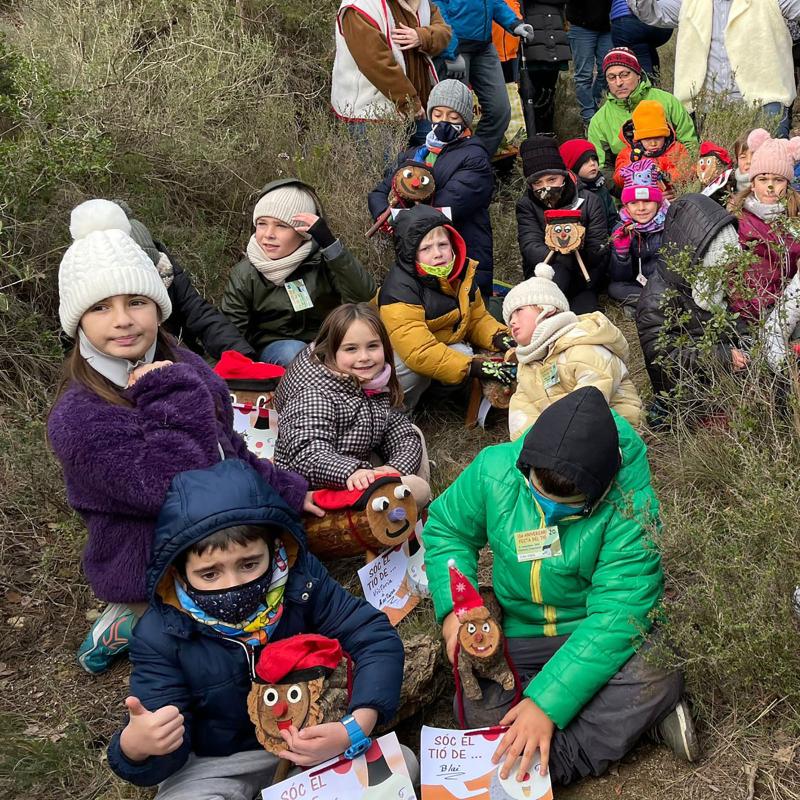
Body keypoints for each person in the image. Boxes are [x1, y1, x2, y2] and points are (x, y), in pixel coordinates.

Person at [47, 200, 313, 675]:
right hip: (147, 557)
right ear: (78, 322)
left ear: (158, 304)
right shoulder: (78, 416)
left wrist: (289, 491)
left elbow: (226, 449)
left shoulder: (183, 362)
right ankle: (125, 620)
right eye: (101, 308)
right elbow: (172, 487)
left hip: (213, 532)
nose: (123, 320)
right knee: (216, 649)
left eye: (137, 302)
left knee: (291, 583)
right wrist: (165, 390)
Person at [423, 387, 694, 787]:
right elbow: (447, 530)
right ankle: (625, 726)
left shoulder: (631, 507)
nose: (549, 509)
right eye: (538, 491)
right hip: (516, 633)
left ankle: (534, 767)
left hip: (588, 630)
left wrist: (546, 705)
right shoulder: (494, 470)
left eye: (568, 504)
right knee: (474, 702)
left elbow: (618, 615)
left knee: (660, 668)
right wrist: (456, 610)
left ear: (601, 489)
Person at [106, 457, 409, 796]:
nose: (233, 583)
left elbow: (375, 638)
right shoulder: (161, 632)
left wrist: (354, 728)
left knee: (402, 766)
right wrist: (136, 748)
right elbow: (165, 742)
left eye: (249, 564)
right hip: (216, 761)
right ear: (178, 572)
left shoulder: (301, 583)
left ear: (275, 546)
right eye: (210, 574)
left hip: (313, 737)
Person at [273, 303, 431, 505]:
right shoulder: (314, 394)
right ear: (330, 352)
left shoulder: (371, 383)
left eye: (372, 346)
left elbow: (397, 429)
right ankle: (405, 509)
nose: (364, 357)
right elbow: (308, 456)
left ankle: (410, 509)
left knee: (412, 434)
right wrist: (352, 471)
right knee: (416, 489)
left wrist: (395, 468)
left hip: (355, 472)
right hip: (314, 492)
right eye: (351, 349)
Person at [221, 179, 376, 367]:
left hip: (326, 345)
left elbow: (363, 294)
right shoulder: (245, 273)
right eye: (262, 224)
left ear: (303, 233)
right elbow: (231, 332)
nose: (268, 234)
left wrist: (330, 245)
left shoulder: (323, 263)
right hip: (272, 351)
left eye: (281, 226)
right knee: (293, 352)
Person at [377, 205, 515, 410]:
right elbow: (419, 351)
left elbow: (476, 319)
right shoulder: (398, 289)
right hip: (392, 353)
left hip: (436, 341)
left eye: (443, 244)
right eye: (426, 248)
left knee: (463, 353)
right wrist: (475, 367)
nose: (438, 254)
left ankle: (431, 403)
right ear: (411, 254)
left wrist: (500, 338)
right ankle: (391, 412)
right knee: (414, 370)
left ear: (453, 245)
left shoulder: (462, 273)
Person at [368, 79, 495, 296]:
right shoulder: (414, 154)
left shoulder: (475, 157)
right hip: (416, 258)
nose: (444, 122)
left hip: (463, 255)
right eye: (437, 115)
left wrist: (400, 218)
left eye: (453, 117)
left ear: (465, 120)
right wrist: (384, 215)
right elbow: (380, 191)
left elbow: (446, 207)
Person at [635, 193, 747, 416]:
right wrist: (722, 357)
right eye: (721, 266)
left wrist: (746, 338)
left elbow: (732, 319)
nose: (728, 273)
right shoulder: (657, 298)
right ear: (699, 257)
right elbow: (663, 356)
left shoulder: (711, 281)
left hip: (720, 371)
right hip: (684, 394)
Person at [503, 263, 642, 439]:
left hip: (612, 436)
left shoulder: (584, 345)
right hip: (563, 442)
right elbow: (522, 414)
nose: (512, 322)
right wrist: (529, 450)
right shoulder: (527, 366)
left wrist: (556, 447)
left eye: (518, 311)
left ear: (548, 309)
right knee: (493, 458)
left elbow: (591, 402)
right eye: (509, 319)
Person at [626, 0, 800, 139]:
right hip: (706, 107)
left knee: (772, 172)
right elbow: (652, 11)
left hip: (765, 103)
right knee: (710, 174)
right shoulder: (689, 2)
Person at [110, 200, 257, 361]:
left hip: (180, 356)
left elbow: (201, 315)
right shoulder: (95, 295)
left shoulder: (166, 272)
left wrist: (242, 356)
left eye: (148, 265)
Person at [330, 0, 452, 146]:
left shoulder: (421, 3)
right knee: (388, 168)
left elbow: (444, 32)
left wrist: (422, 36)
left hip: (418, 109)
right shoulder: (360, 7)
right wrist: (410, 102)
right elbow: (378, 65)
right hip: (372, 115)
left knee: (443, 158)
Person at [516, 135, 609, 314]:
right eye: (538, 183)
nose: (546, 187)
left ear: (563, 175)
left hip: (585, 273)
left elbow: (598, 246)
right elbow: (529, 245)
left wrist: (579, 247)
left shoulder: (589, 201)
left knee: (581, 317)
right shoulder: (526, 205)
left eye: (552, 180)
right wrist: (563, 252)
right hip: (546, 273)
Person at [434, 0, 534, 157]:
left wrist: (514, 24)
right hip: (455, 48)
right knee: (452, 116)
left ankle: (475, 160)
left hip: (484, 47)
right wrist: (450, 52)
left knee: (499, 111)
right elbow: (437, 9)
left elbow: (495, 2)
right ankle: (448, 166)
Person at [727, 130, 800, 323]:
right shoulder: (738, 220)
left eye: (778, 180)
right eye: (763, 179)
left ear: (787, 183)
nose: (770, 187)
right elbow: (731, 275)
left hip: (791, 309)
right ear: (752, 183)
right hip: (750, 313)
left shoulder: (795, 216)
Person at [587, 47, 697, 176]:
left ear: (638, 74)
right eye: (611, 77)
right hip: (627, 189)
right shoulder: (599, 121)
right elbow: (602, 167)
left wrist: (678, 182)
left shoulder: (667, 102)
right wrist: (629, 189)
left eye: (625, 74)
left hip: (675, 181)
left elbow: (690, 144)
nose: (619, 82)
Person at [609, 158, 669, 312]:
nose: (641, 208)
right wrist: (621, 256)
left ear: (658, 202)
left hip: (664, 283)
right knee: (615, 288)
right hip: (638, 284)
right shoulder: (621, 228)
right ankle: (656, 305)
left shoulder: (669, 222)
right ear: (626, 206)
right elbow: (619, 277)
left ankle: (645, 306)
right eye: (634, 203)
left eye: (647, 201)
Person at [613, 99, 692, 194]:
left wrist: (667, 176)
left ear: (665, 135)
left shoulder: (677, 149)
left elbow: (689, 170)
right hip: (643, 200)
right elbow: (618, 179)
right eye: (647, 139)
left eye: (658, 138)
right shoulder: (628, 154)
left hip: (675, 196)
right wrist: (633, 165)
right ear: (639, 138)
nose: (653, 143)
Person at [518, 0, 572, 137]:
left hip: (554, 35)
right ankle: (535, 134)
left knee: (548, 92)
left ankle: (546, 134)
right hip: (532, 37)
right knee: (532, 91)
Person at [566, 0, 613, 128]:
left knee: (608, 71)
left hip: (607, 26)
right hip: (580, 25)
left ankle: (597, 107)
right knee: (584, 75)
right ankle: (589, 119)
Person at [558, 138, 618, 233]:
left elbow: (613, 219)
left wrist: (619, 231)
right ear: (572, 165)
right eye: (585, 161)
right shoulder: (569, 194)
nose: (592, 164)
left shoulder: (601, 188)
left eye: (594, 159)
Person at [609, 0, 671, 81]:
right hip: (661, 20)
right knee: (647, 50)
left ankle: (647, 88)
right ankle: (656, 83)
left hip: (627, 20)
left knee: (640, 56)